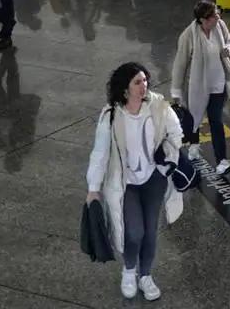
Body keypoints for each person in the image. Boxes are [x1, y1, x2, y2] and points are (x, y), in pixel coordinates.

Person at [85, 63, 185, 301]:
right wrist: (93, 188)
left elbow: (176, 134)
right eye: (137, 82)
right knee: (134, 232)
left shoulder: (159, 106)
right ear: (125, 88)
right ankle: (129, 271)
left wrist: (168, 158)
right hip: (125, 183)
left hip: (154, 179)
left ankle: (146, 275)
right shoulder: (110, 116)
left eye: (145, 81)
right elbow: (100, 153)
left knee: (150, 231)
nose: (144, 86)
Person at [171, 0, 230, 176]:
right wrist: (176, 91)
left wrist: (229, 49)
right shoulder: (188, 36)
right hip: (197, 85)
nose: (218, 18)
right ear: (203, 20)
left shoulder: (220, 26)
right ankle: (194, 144)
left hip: (218, 83)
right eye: (214, 16)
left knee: (216, 120)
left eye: (218, 14)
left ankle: (222, 161)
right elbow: (180, 64)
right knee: (194, 116)